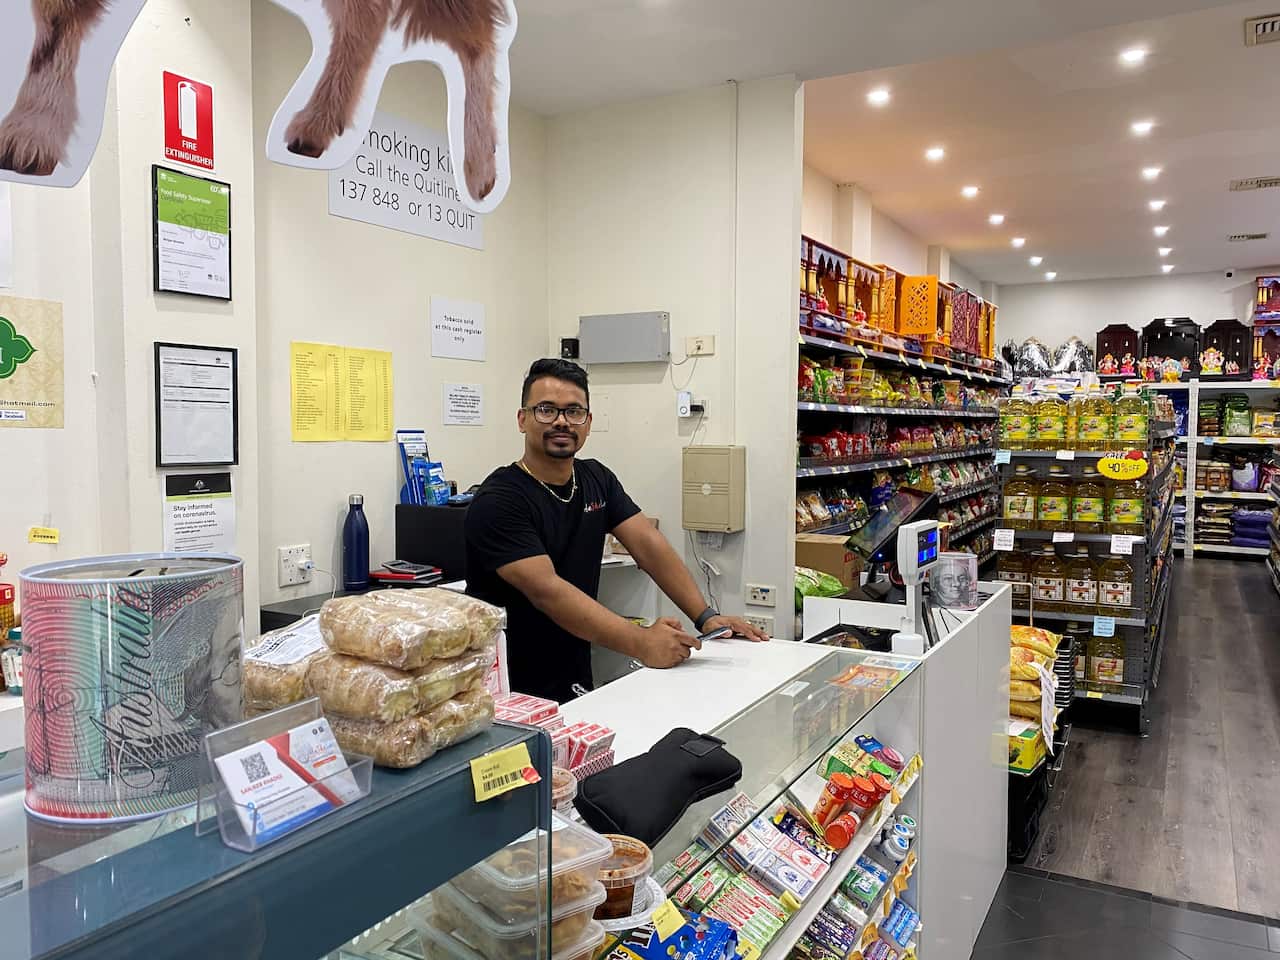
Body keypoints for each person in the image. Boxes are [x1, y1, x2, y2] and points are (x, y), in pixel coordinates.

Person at [465, 359, 768, 702]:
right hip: (507, 689)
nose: (562, 421)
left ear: (588, 422)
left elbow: (648, 544)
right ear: (522, 419)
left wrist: (706, 616)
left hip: (572, 671)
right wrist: (642, 643)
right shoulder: (500, 499)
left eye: (574, 411)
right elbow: (547, 590)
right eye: (546, 410)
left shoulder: (596, 479)